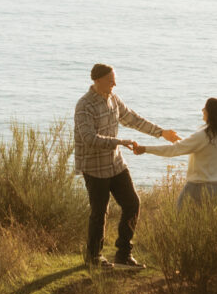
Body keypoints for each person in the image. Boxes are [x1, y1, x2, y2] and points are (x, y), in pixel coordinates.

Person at [73, 64, 178, 269]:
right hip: (94, 166)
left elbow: (133, 119)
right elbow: (88, 138)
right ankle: (94, 257)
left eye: (114, 80)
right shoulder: (84, 105)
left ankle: (123, 254)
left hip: (115, 163)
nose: (115, 84)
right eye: (111, 80)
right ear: (97, 80)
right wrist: (118, 142)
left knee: (132, 204)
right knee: (99, 212)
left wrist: (161, 132)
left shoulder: (114, 99)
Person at [127, 98, 217, 206]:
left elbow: (172, 150)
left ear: (211, 113)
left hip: (198, 187)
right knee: (202, 224)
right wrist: (178, 140)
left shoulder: (204, 135)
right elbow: (201, 148)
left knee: (181, 221)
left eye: (205, 108)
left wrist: (145, 149)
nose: (202, 110)